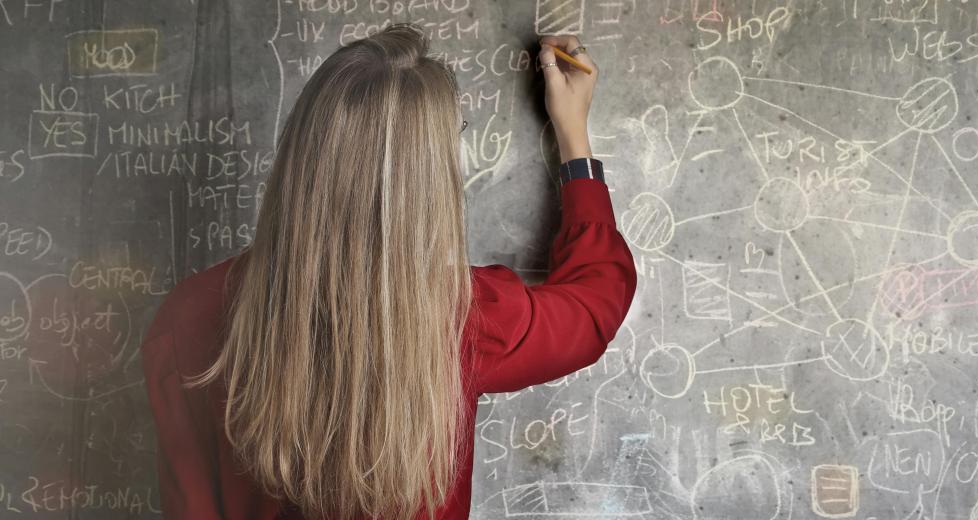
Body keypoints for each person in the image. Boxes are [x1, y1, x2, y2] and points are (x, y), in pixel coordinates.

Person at [140, 23, 636, 520]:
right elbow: (594, 303)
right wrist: (573, 136)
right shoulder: (461, 316)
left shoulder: (187, 318)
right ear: (429, 176)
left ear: (303, 153)